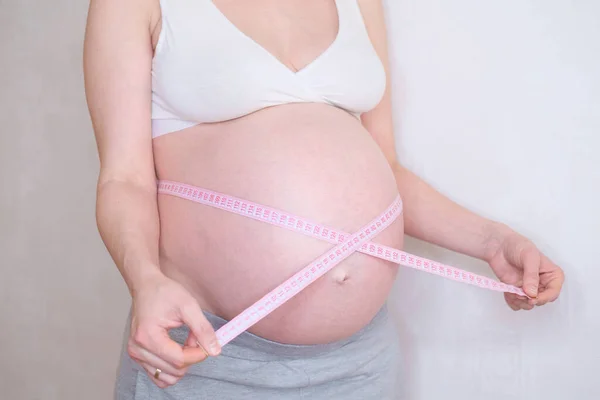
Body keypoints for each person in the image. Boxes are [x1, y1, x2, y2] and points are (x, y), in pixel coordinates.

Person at [82, 0, 565, 398]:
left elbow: (386, 169)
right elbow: (124, 180)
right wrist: (144, 280)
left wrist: (492, 242)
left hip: (360, 362)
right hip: (208, 353)